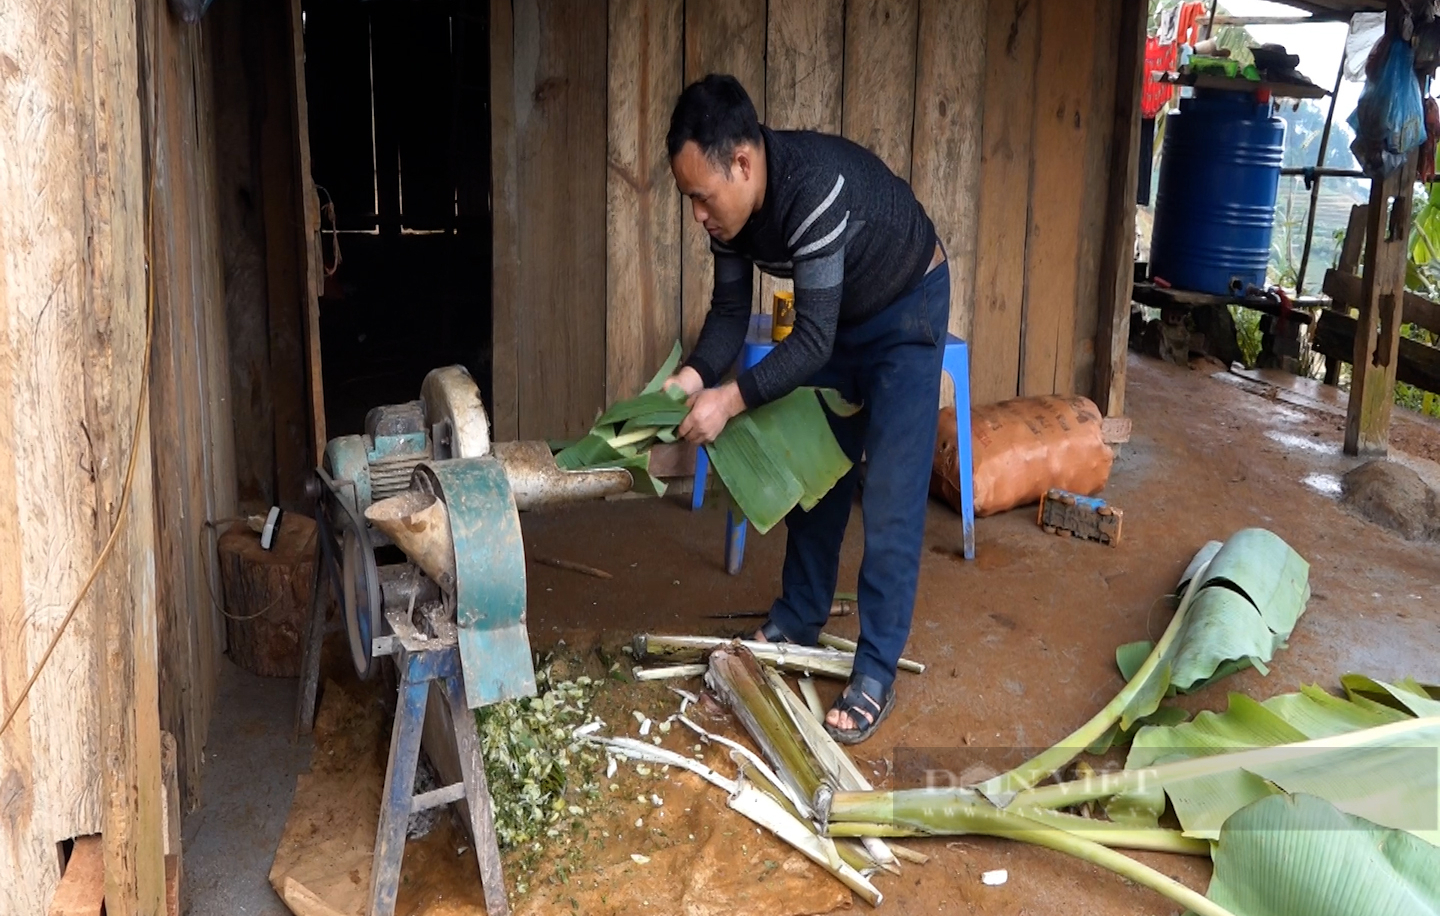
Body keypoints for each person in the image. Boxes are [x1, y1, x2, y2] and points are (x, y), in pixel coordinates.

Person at [660, 74, 950, 746]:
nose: (699, 215)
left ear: (743, 162)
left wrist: (728, 400)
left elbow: (810, 342)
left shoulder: (813, 188)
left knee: (890, 493)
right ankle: (798, 616)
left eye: (702, 198)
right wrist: (694, 375)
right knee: (819, 469)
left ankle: (876, 668)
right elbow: (732, 312)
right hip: (844, 313)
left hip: (909, 308)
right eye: (689, 200)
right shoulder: (730, 214)